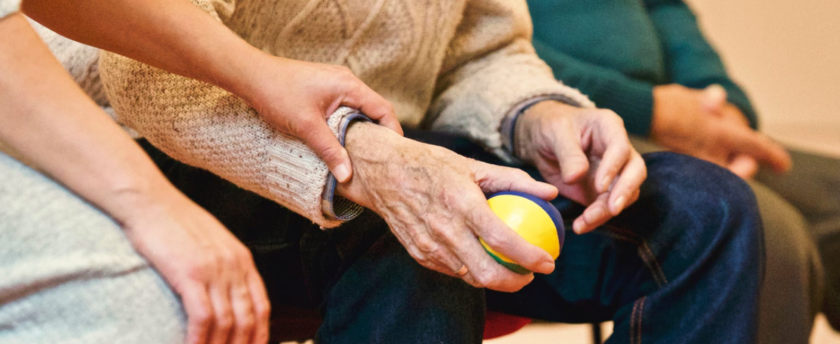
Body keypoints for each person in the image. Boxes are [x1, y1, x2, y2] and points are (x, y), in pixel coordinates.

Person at [78, 0, 767, 342]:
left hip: (399, 146)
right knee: (414, 231)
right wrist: (365, 162)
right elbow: (148, 79)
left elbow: (480, 51)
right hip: (172, 154)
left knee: (704, 211)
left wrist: (540, 114)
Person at [0, 0, 403, 343]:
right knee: (145, 311)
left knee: (420, 232)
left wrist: (263, 74)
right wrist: (151, 205)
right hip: (126, 132)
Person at [525, 0, 837, 340]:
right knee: (750, 224)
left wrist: (724, 109)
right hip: (546, 124)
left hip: (672, 120)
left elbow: (665, 7)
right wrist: (652, 111)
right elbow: (488, 49)